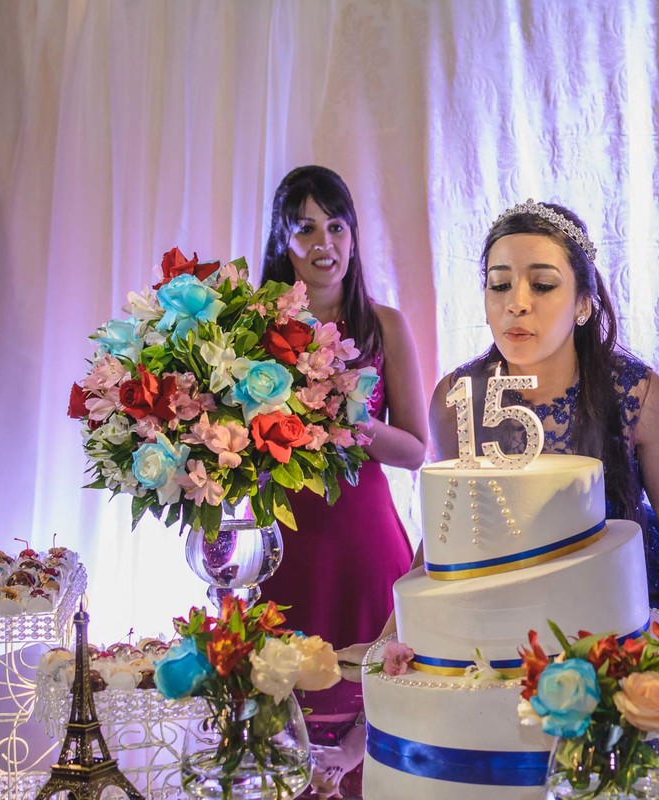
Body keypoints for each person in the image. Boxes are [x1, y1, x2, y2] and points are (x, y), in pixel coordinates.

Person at [424, 199, 659, 756]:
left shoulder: (638, 396)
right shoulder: (457, 398)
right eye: (499, 285)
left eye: (543, 285)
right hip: (497, 629)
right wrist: (392, 641)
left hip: (620, 616)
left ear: (583, 303)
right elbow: (445, 529)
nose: (517, 305)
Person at [258, 165, 428, 797]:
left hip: (364, 542)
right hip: (280, 543)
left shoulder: (384, 325)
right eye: (305, 228)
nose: (323, 243)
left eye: (336, 226)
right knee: (276, 743)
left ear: (354, 237)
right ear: (282, 241)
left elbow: (415, 450)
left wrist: (343, 421)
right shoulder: (250, 333)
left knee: (370, 732)